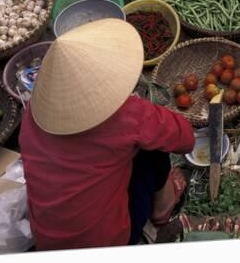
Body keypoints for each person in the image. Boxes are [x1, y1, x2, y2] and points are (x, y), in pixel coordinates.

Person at [19, 18, 195, 250]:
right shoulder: (127, 116)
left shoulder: (35, 112)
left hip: (47, 241)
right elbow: (185, 139)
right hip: (109, 242)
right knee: (153, 146)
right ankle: (162, 209)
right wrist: (143, 110)